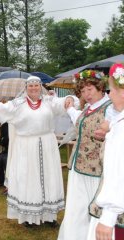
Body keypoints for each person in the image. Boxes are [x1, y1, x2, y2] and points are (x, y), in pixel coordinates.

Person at [0, 76, 75, 227]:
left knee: (49, 178)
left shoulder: (49, 101)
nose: (34, 88)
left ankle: (49, 216)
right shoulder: (18, 104)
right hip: (26, 147)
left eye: (36, 85)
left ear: (40, 87)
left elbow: (63, 103)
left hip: (47, 145)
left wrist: (68, 99)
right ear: (26, 88)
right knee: (29, 179)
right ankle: (29, 217)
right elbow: (1, 109)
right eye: (30, 86)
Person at [57, 70, 112, 240]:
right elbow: (78, 120)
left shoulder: (110, 108)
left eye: (90, 89)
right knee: (76, 209)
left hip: (97, 171)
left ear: (100, 87)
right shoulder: (88, 108)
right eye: (83, 91)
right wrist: (70, 105)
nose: (86, 94)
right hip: (77, 168)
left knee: (94, 211)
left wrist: (108, 133)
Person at [86, 64, 124, 240]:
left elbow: (119, 172)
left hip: (117, 213)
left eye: (112, 89)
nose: (109, 94)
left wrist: (108, 216)